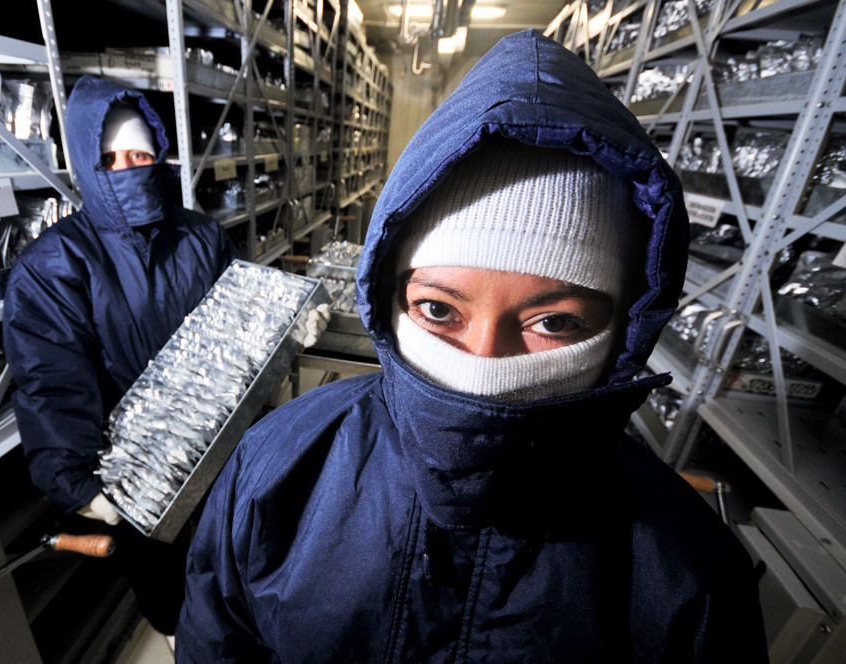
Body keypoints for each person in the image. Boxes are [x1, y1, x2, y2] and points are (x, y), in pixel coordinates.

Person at [176, 30, 767, 662]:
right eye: (439, 310)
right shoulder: (275, 470)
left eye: (556, 323)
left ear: (625, 327)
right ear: (389, 293)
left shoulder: (689, 579)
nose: (482, 367)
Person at [2, 75, 236, 640]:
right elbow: (51, 379)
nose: (127, 168)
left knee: (235, 575)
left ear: (158, 154)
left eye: (139, 154)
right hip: (137, 481)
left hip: (221, 452)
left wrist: (289, 319)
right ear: (85, 164)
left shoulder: (200, 237)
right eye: (109, 159)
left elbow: (239, 323)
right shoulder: (56, 264)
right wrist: (77, 485)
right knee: (177, 603)